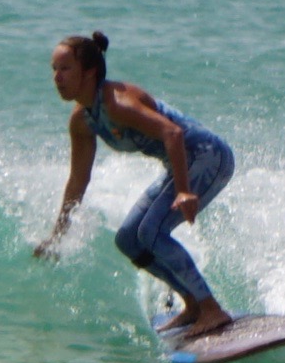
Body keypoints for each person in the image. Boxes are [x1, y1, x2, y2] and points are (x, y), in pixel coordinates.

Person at [33, 31, 237, 339]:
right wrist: (58, 233)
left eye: (65, 69)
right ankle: (193, 304)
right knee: (128, 239)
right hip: (182, 164)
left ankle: (211, 309)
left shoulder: (117, 102)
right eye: (54, 70)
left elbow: (173, 134)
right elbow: (78, 180)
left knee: (150, 233)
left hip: (208, 156)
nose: (57, 78)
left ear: (88, 72)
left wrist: (184, 190)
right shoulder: (82, 121)